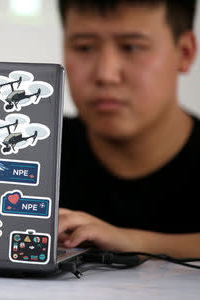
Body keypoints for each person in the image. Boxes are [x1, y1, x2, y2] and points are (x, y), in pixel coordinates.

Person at [58, 0, 200, 258]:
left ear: (185, 52)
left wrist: (131, 241)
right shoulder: (35, 154)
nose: (106, 74)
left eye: (132, 47)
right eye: (84, 47)